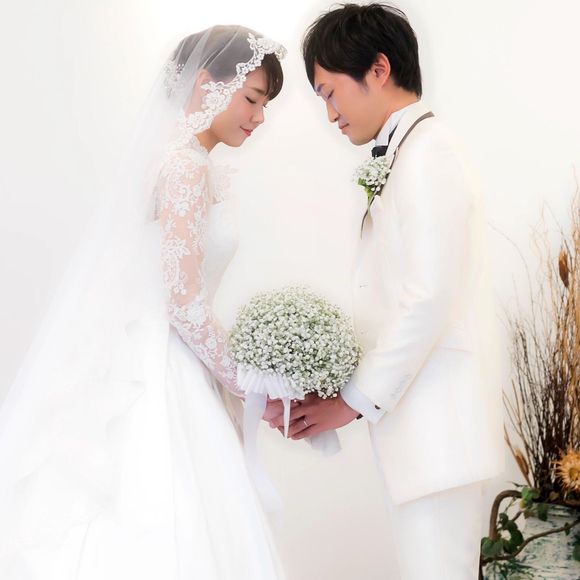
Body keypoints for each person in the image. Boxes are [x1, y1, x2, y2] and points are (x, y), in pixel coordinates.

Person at [0, 25, 287, 580]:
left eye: (266, 104)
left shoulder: (181, 160)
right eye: (253, 98)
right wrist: (248, 382)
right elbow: (183, 302)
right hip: (162, 362)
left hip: (170, 354)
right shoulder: (185, 166)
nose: (259, 117)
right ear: (205, 83)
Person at [269, 4, 504, 578]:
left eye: (330, 93)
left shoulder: (430, 152)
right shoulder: (409, 151)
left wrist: (351, 400)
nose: (330, 115)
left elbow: (428, 299)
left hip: (439, 441)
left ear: (378, 69)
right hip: (422, 441)